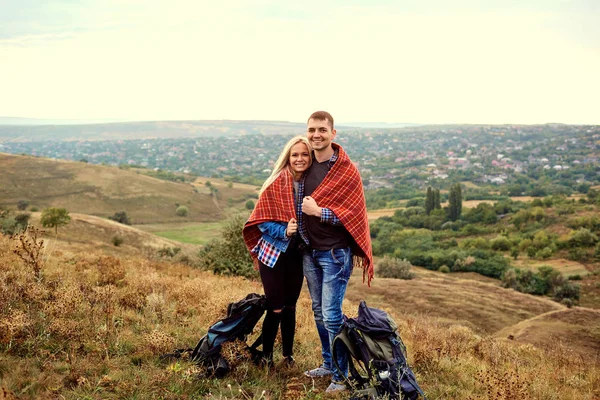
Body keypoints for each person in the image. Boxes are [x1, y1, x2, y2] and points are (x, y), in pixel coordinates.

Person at [298, 111, 373, 393]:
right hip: (309, 252)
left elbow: (354, 215)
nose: (316, 134)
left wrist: (320, 212)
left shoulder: (344, 169)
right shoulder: (305, 167)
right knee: (319, 312)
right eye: (311, 130)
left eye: (322, 129)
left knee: (331, 315)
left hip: (335, 254)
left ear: (333, 133)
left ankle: (341, 377)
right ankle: (329, 363)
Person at [242, 136, 313, 367]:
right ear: (288, 157)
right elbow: (261, 222)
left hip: (296, 254)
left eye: (304, 154)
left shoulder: (312, 184)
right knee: (276, 306)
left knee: (291, 306)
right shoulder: (276, 182)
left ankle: (288, 356)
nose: (299, 159)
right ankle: (267, 356)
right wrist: (285, 230)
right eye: (295, 155)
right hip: (273, 254)